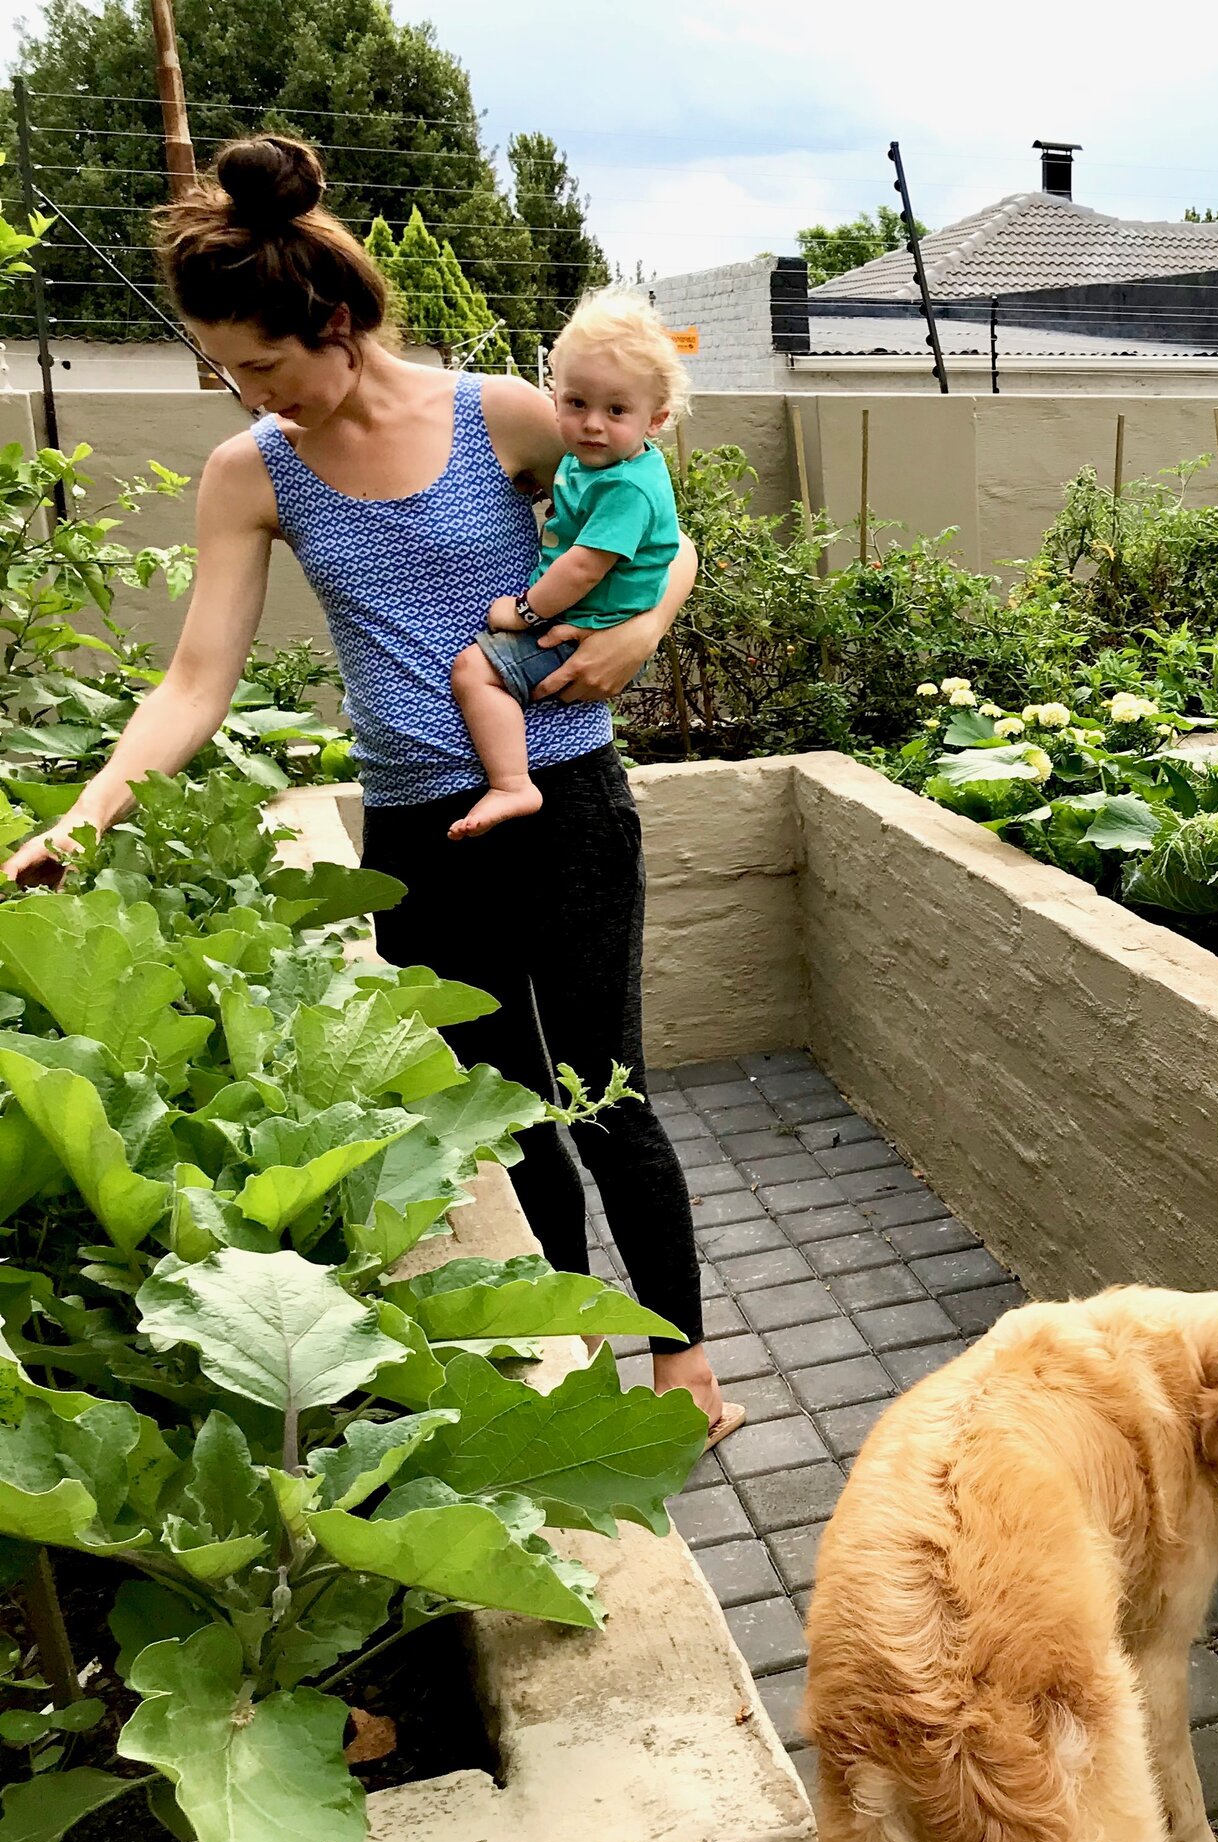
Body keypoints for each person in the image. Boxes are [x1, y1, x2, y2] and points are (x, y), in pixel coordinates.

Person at [2, 135, 740, 1447]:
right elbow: (191, 680)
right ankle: (568, 1355)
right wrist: (89, 811)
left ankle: (681, 1364)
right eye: (227, 368)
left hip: (565, 798)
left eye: (265, 363)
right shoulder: (255, 471)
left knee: (606, 1089)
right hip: (415, 829)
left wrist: (644, 630)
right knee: (495, 1114)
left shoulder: (503, 414)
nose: (248, 392)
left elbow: (659, 526)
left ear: (336, 326)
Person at [448, 290, 685, 840]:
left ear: (656, 419)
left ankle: (512, 783)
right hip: (593, 621)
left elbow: (582, 569)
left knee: (474, 673)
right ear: (554, 396)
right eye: (576, 403)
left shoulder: (627, 486)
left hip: (592, 629)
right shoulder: (592, 464)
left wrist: (524, 613)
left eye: (617, 410)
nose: (592, 424)